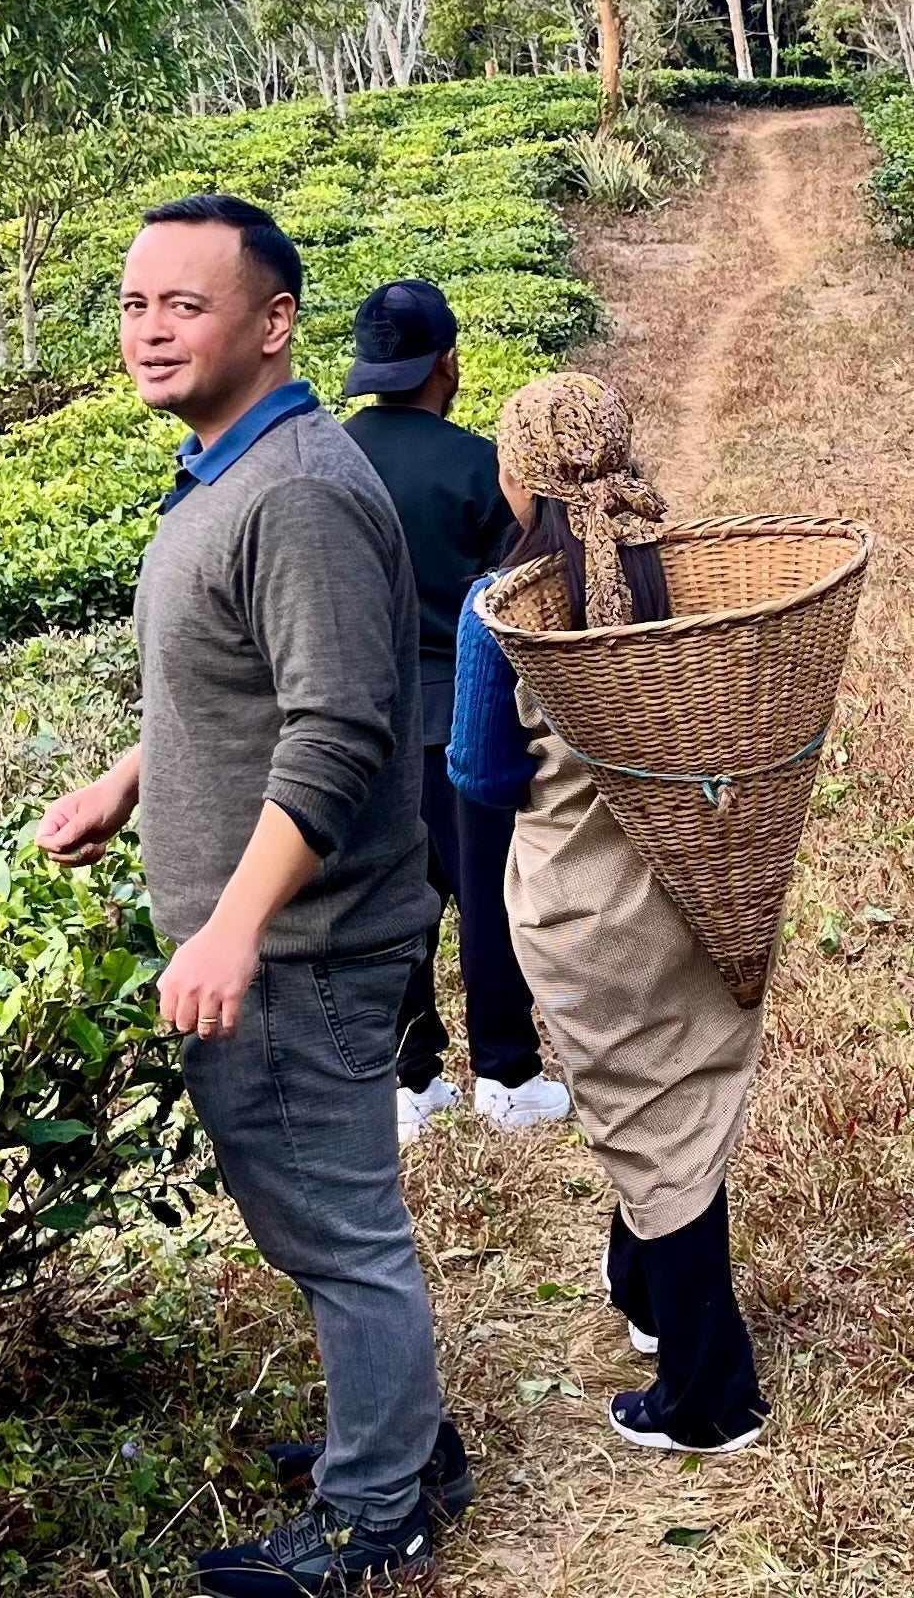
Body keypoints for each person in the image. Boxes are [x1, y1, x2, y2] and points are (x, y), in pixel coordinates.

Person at [36, 194, 470, 1592]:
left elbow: (337, 729)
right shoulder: (229, 469)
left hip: (300, 943)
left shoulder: (290, 493)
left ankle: (379, 1508)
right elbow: (231, 685)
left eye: (186, 303)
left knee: (336, 1234)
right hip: (274, 934)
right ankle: (403, 1440)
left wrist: (231, 920)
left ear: (273, 323)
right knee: (318, 1220)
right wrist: (128, 779)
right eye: (131, 303)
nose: (150, 330)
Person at [448, 371, 768, 1456]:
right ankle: (642, 1293)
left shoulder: (500, 610)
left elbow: (482, 776)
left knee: (645, 1120)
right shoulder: (700, 573)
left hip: (587, 909)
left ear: (518, 473)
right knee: (674, 1101)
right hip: (704, 883)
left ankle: (708, 1397)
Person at [341, 280, 569, 1144]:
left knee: (390, 902)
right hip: (464, 713)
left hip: (357, 721)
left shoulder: (326, 461)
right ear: (448, 363)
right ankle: (507, 1075)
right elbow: (512, 602)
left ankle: (410, 1083)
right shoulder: (482, 467)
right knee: (488, 897)